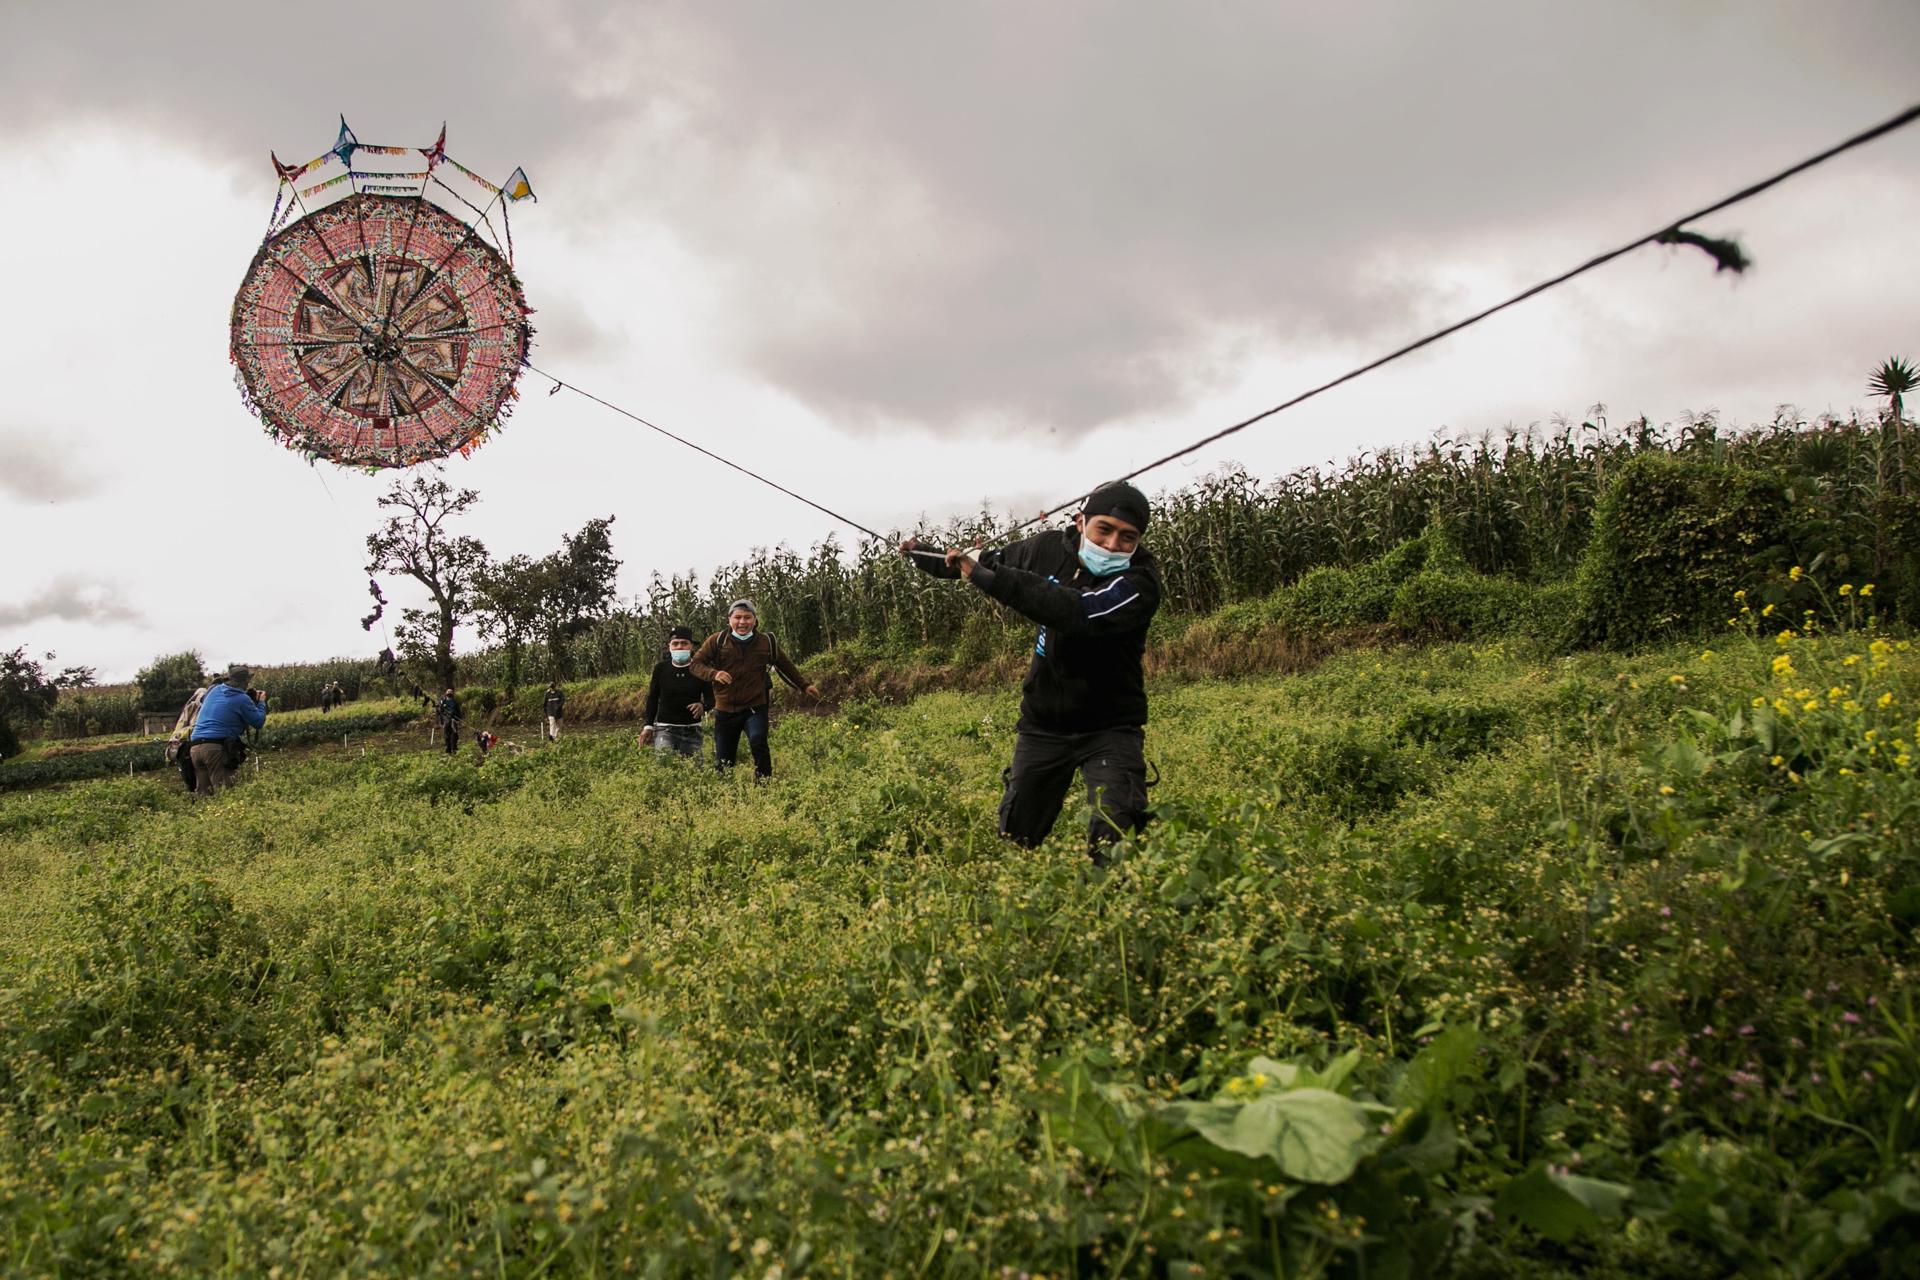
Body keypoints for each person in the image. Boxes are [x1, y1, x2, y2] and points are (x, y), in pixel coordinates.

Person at [904, 480, 1161, 864]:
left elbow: (1078, 612)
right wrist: (924, 555)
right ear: (1080, 522)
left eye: (1127, 538)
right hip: (1045, 722)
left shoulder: (1140, 582)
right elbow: (983, 562)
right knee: (1016, 835)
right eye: (1103, 530)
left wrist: (993, 580)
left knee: (1116, 833)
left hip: (1111, 725)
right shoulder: (1044, 550)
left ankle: (1110, 901)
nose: (1111, 545)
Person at [688, 599, 819, 779]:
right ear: (729, 620)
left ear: (755, 620)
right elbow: (695, 664)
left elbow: (785, 665)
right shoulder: (717, 641)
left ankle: (763, 785)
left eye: (747, 617)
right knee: (724, 760)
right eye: (738, 617)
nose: (742, 622)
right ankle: (725, 793)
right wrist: (714, 674)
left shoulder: (766, 642)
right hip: (725, 710)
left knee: (759, 742)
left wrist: (804, 685)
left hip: (755, 707)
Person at [187, 666, 268, 798]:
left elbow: (206, 701)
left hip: (195, 747)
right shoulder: (242, 699)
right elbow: (258, 722)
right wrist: (261, 703)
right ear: (245, 682)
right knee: (224, 792)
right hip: (215, 748)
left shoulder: (214, 690)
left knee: (204, 795)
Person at [640, 626, 715, 759]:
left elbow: (711, 699)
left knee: (695, 772)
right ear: (669, 646)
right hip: (665, 729)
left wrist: (703, 706)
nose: (680, 647)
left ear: (691, 646)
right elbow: (653, 698)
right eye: (675, 644)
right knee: (665, 767)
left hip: (692, 730)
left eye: (684, 643)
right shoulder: (661, 669)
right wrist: (648, 726)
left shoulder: (701, 669)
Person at [165, 677, 216, 793]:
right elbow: (179, 731)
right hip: (187, 746)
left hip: (193, 746)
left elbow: (178, 730)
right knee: (194, 779)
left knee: (198, 778)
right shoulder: (192, 707)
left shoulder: (197, 707)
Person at [436, 688, 461, 755]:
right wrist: (441, 721)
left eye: (450, 692)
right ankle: (448, 749)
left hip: (454, 720)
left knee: (454, 735)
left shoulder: (455, 702)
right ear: (446, 694)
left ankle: (454, 748)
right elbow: (440, 712)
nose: (449, 693)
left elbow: (458, 712)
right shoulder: (443, 702)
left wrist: (458, 720)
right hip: (446, 720)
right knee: (447, 736)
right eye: (448, 692)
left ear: (452, 694)